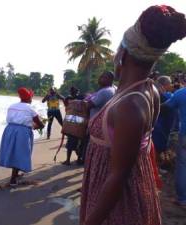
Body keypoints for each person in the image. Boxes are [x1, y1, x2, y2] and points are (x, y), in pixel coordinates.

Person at [80, 5, 186, 225]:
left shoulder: (129, 106)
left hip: (118, 205)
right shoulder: (147, 90)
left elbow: (118, 177)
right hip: (127, 190)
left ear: (123, 53)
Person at [0, 87, 44, 185]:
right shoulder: (30, 108)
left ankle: (14, 174)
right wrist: (39, 125)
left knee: (13, 151)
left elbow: (15, 118)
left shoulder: (12, 106)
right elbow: (39, 123)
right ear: (28, 98)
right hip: (22, 132)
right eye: (31, 98)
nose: (31, 100)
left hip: (9, 130)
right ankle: (13, 179)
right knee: (20, 153)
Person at [152, 76, 175, 161]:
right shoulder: (166, 96)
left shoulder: (156, 93)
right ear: (165, 84)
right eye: (170, 83)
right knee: (158, 146)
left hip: (161, 124)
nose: (171, 85)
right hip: (161, 124)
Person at [63, 87, 84, 165]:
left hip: (75, 123)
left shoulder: (80, 97)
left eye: (72, 91)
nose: (72, 93)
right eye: (71, 92)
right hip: (75, 123)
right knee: (75, 142)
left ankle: (73, 159)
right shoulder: (72, 98)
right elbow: (66, 107)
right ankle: (77, 159)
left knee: (73, 142)